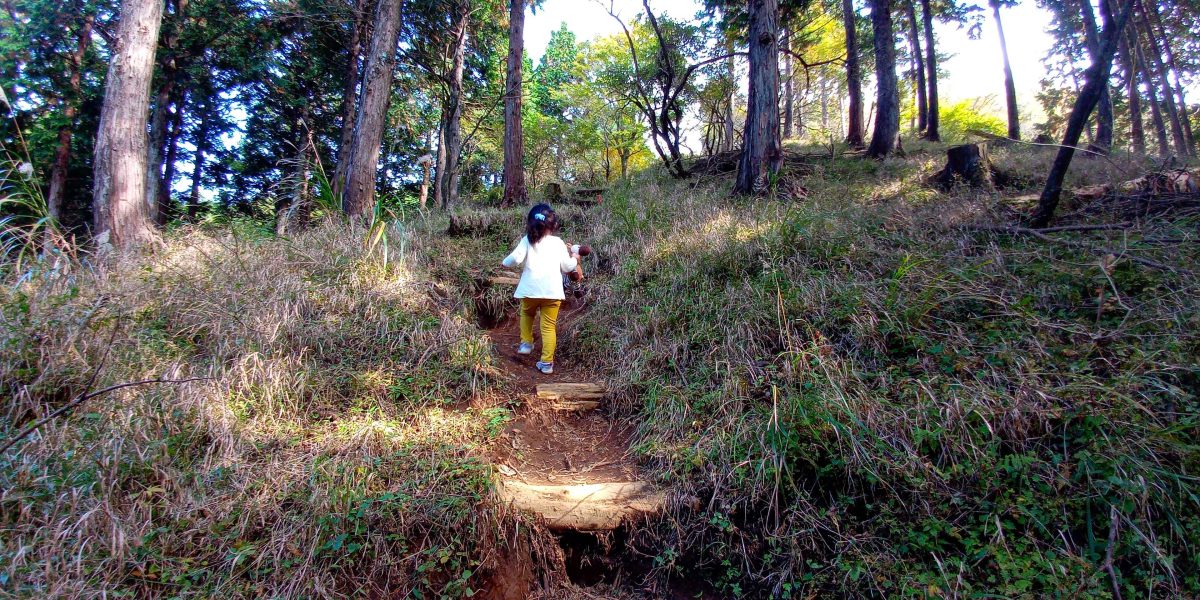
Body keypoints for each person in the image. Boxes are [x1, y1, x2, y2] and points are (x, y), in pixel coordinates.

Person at [501, 203, 579, 374]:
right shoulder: (558, 243)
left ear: (530, 223)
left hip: (529, 291)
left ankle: (526, 343)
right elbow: (567, 267)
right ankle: (546, 363)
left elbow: (515, 258)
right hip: (552, 293)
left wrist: (504, 263)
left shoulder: (527, 240)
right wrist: (575, 257)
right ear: (553, 225)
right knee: (549, 327)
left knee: (527, 314)